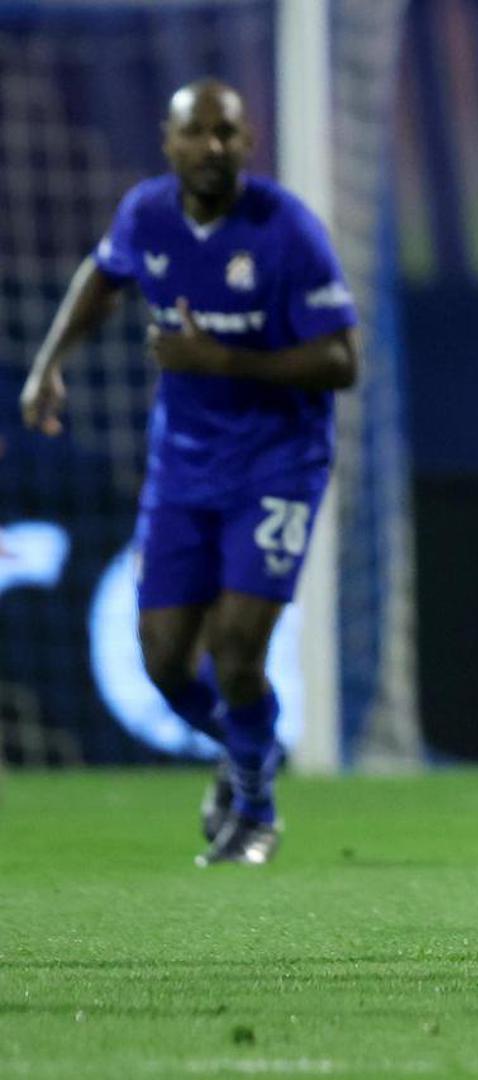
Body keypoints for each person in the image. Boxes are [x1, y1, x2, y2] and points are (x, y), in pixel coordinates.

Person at [19, 79, 360, 866]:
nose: (212, 145)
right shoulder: (146, 214)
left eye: (226, 132)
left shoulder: (286, 230)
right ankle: (248, 752)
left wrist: (224, 360)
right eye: (196, 132)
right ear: (168, 143)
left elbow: (342, 361)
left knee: (237, 650)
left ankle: (256, 813)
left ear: (248, 142)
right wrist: (49, 365)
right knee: (165, 661)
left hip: (278, 464)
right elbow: (102, 278)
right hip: (182, 467)